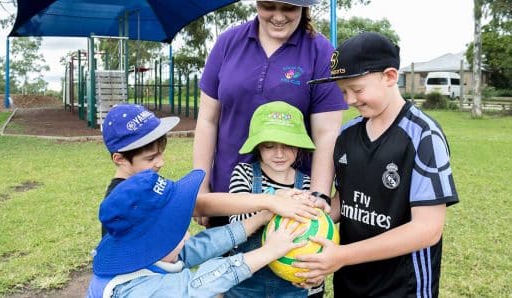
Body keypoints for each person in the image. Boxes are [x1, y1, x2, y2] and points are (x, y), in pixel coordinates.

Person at [292, 32, 460, 297]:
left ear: (390, 77)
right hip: (350, 282)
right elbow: (346, 201)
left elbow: (427, 230)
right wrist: (319, 212)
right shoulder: (347, 135)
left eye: (357, 89)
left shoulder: (423, 135)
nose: (349, 100)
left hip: (403, 287)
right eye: (343, 91)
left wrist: (343, 255)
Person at [193, 0, 347, 229]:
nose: (278, 16)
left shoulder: (320, 52)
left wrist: (319, 194)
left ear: (304, 7)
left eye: (288, 8)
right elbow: (207, 120)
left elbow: (327, 133)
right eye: (268, 6)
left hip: (291, 203)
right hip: (228, 197)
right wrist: (201, 188)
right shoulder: (228, 43)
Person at [100, 103, 323, 237]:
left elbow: (200, 205)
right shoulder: (125, 199)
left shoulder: (147, 182)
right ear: (119, 159)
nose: (161, 162)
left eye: (160, 153)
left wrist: (268, 201)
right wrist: (270, 200)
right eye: (151, 157)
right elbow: (197, 207)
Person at [87, 169, 309, 297]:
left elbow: (201, 246)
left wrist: (259, 217)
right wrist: (269, 251)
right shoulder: (136, 291)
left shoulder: (146, 254)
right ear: (152, 242)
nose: (186, 235)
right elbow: (198, 284)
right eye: (178, 229)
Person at [226, 101, 326, 297]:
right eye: (270, 146)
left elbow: (318, 233)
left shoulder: (306, 184)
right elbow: (236, 223)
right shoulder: (244, 174)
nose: (279, 154)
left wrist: (316, 273)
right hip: (246, 280)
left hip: (290, 283)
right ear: (258, 147)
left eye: (288, 146)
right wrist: (272, 200)